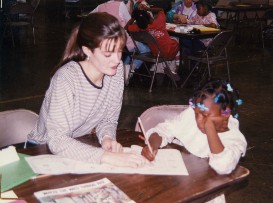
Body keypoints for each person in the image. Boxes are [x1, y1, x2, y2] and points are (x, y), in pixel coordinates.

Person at [27, 13, 148, 168]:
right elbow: (57, 140)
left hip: (77, 144)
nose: (117, 60)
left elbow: (108, 120)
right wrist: (106, 156)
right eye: (108, 54)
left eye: (120, 51)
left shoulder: (115, 72)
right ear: (88, 51)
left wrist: (107, 137)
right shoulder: (66, 79)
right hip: (41, 150)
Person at [141, 78, 247, 202]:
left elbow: (222, 165)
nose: (199, 120)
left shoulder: (234, 139)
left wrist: (209, 128)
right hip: (177, 185)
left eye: (205, 116)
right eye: (197, 114)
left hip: (204, 196)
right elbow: (163, 129)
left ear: (225, 114)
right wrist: (153, 144)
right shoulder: (191, 115)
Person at [90, 0, 150, 82]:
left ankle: (124, 70)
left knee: (131, 51)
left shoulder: (100, 7)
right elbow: (130, 21)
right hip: (122, 41)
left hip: (107, 41)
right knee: (145, 50)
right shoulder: (120, 5)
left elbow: (89, 18)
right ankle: (130, 70)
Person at [126, 6, 180, 80]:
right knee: (175, 40)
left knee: (164, 44)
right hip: (169, 52)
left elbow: (126, 27)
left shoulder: (140, 27)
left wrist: (134, 17)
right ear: (149, 15)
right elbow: (161, 9)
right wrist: (148, 9)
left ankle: (163, 67)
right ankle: (174, 68)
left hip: (156, 53)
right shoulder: (159, 22)